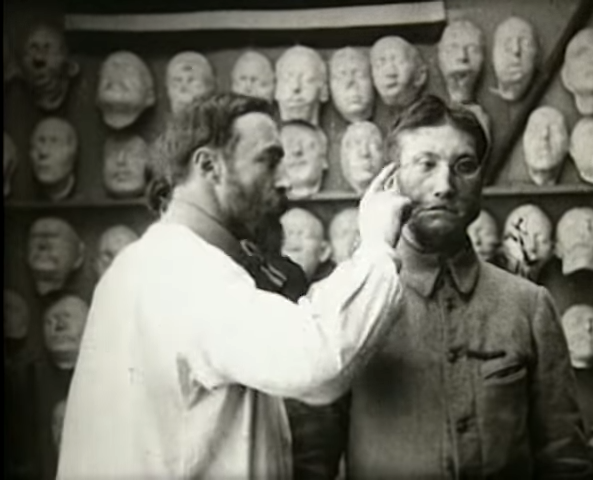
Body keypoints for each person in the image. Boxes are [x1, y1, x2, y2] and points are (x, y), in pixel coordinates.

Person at [56, 92, 410, 479]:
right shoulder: (184, 271)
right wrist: (375, 245)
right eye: (268, 160)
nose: (285, 181)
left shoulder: (148, 261)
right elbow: (318, 360)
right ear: (209, 166)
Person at [326, 94, 588, 479]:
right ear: (391, 180)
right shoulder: (350, 301)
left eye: (464, 166)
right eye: (425, 164)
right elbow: (310, 462)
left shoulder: (528, 305)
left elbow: (563, 458)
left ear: (481, 181)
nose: (445, 185)